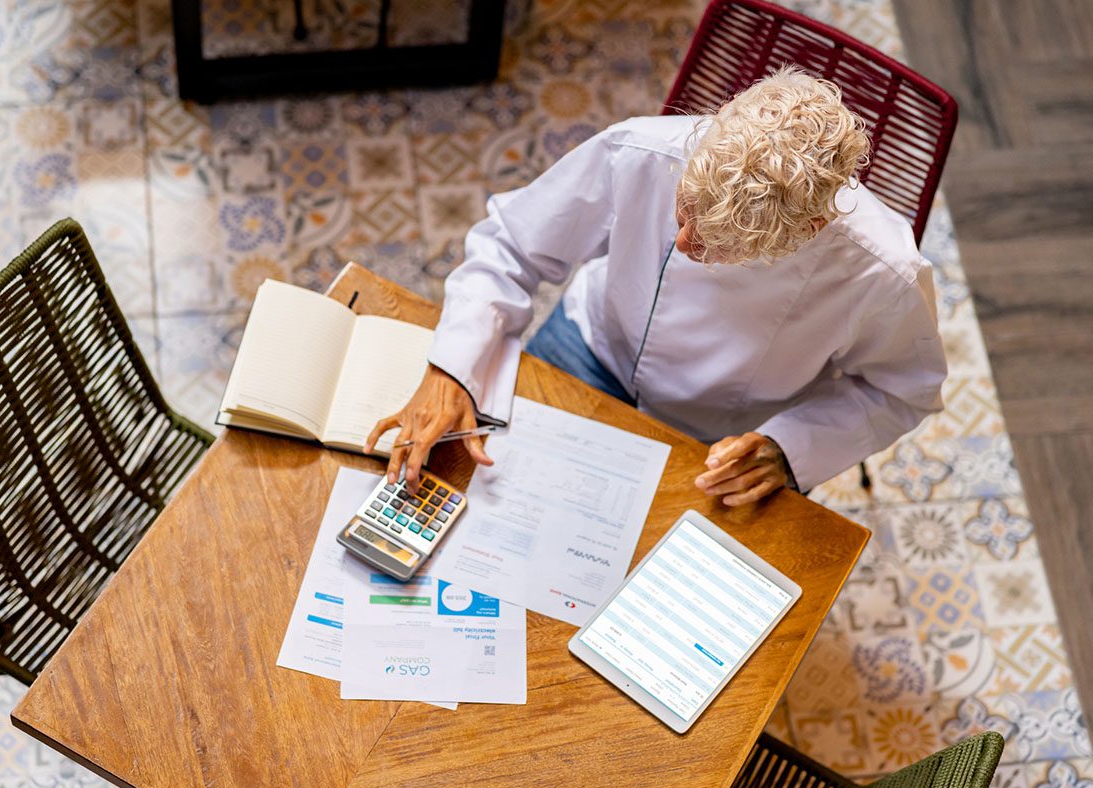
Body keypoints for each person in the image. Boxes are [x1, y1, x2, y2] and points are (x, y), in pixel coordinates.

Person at [365, 67, 947, 505]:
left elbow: (902, 390)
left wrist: (790, 448)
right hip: (593, 345)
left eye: (722, 245)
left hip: (725, 432)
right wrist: (453, 367)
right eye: (686, 208)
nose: (687, 242)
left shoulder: (884, 270)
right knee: (487, 496)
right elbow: (512, 243)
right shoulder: (642, 150)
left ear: (810, 230)